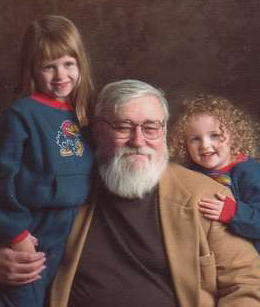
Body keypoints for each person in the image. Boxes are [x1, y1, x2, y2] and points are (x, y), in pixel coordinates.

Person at [1, 80, 260, 307]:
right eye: (123, 127)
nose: (138, 141)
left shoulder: (205, 194)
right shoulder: (65, 190)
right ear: (99, 131)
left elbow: (247, 283)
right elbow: (12, 222)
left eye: (150, 128)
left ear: (164, 131)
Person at [0, 15, 94, 306]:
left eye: (68, 64)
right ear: (33, 70)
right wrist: (16, 232)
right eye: (49, 67)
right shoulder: (22, 114)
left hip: (70, 228)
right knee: (24, 297)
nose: (60, 75)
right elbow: (3, 178)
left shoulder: (82, 113)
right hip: (33, 229)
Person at [169, 95, 260, 254]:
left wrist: (234, 212)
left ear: (234, 135)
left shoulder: (248, 171)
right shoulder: (191, 174)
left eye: (215, 136)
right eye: (195, 139)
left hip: (250, 261)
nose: (205, 145)